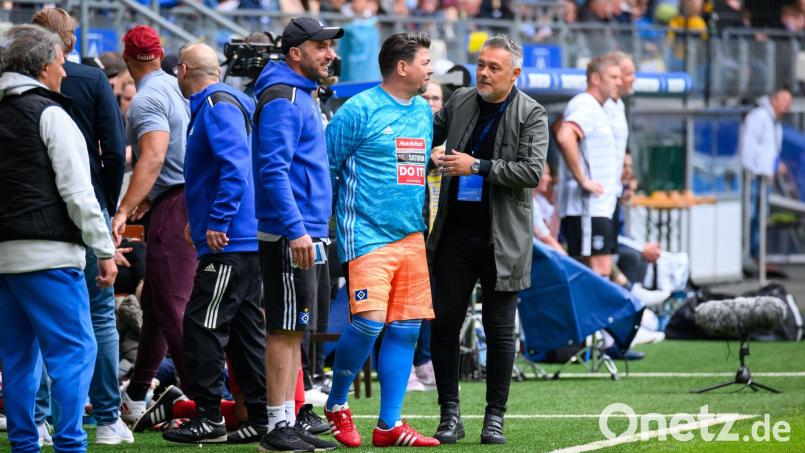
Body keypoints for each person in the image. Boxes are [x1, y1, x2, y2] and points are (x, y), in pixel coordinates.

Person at [0, 24, 117, 453]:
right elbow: (79, 192)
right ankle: (70, 445)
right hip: (49, 255)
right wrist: (104, 249)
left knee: (16, 361)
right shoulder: (51, 114)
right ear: (43, 65)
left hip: (4, 259)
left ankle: (24, 446)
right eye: (60, 62)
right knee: (74, 352)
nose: (65, 72)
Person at [428, 34, 547, 445]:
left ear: (515, 74)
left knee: (499, 330)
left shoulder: (532, 113)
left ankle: (494, 417)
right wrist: (432, 154)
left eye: (494, 67)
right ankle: (449, 415)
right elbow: (428, 133)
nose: (483, 72)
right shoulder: (460, 100)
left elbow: (531, 172)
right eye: (481, 64)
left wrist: (476, 166)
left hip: (503, 240)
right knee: (443, 324)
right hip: (455, 234)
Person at [325, 32, 440, 448]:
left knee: (406, 329)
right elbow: (326, 167)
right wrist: (328, 224)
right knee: (369, 324)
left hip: (411, 234)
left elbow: (410, 164)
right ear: (402, 66)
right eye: (426, 61)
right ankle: (337, 404)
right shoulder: (357, 110)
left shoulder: (424, 113)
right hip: (366, 234)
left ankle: (389, 425)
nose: (431, 69)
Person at [154, 43, 269, 444]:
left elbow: (235, 169)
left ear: (183, 70)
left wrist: (216, 221)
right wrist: (199, 222)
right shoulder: (231, 101)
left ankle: (208, 415)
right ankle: (258, 414)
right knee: (243, 329)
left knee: (201, 323)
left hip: (230, 240)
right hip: (241, 237)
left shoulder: (216, 105)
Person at [31, 8, 132, 445]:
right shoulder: (91, 81)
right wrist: (109, 210)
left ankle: (36, 418)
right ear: (68, 41)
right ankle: (108, 418)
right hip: (84, 213)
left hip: (32, 217)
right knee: (99, 316)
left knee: (32, 324)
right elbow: (113, 150)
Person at [252, 17, 343, 453]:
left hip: (304, 232)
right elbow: (272, 170)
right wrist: (295, 231)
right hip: (292, 235)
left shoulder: (300, 94)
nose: (330, 53)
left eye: (330, 45)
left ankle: (287, 419)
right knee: (285, 330)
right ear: (295, 53)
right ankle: (275, 427)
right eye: (321, 46)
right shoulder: (285, 97)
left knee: (295, 330)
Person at [110, 25, 195, 423]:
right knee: (158, 303)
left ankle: (206, 400)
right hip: (184, 198)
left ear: (128, 59)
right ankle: (139, 391)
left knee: (172, 307)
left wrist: (125, 208)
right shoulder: (177, 86)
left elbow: (154, 157)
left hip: (174, 204)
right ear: (160, 56)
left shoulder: (146, 98)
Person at [555, 53, 622, 277]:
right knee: (597, 271)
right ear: (595, 78)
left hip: (600, 205)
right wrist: (582, 179)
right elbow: (565, 136)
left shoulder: (601, 107)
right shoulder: (585, 104)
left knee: (600, 270)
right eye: (613, 77)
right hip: (587, 207)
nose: (619, 82)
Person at [739, 88, 792, 260]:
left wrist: (776, 165)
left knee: (761, 217)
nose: (788, 106)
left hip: (765, 178)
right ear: (774, 101)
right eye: (785, 102)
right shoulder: (759, 117)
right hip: (754, 177)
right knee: (750, 215)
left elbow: (770, 150)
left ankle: (756, 255)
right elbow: (748, 146)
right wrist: (751, 170)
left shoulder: (775, 121)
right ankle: (744, 254)